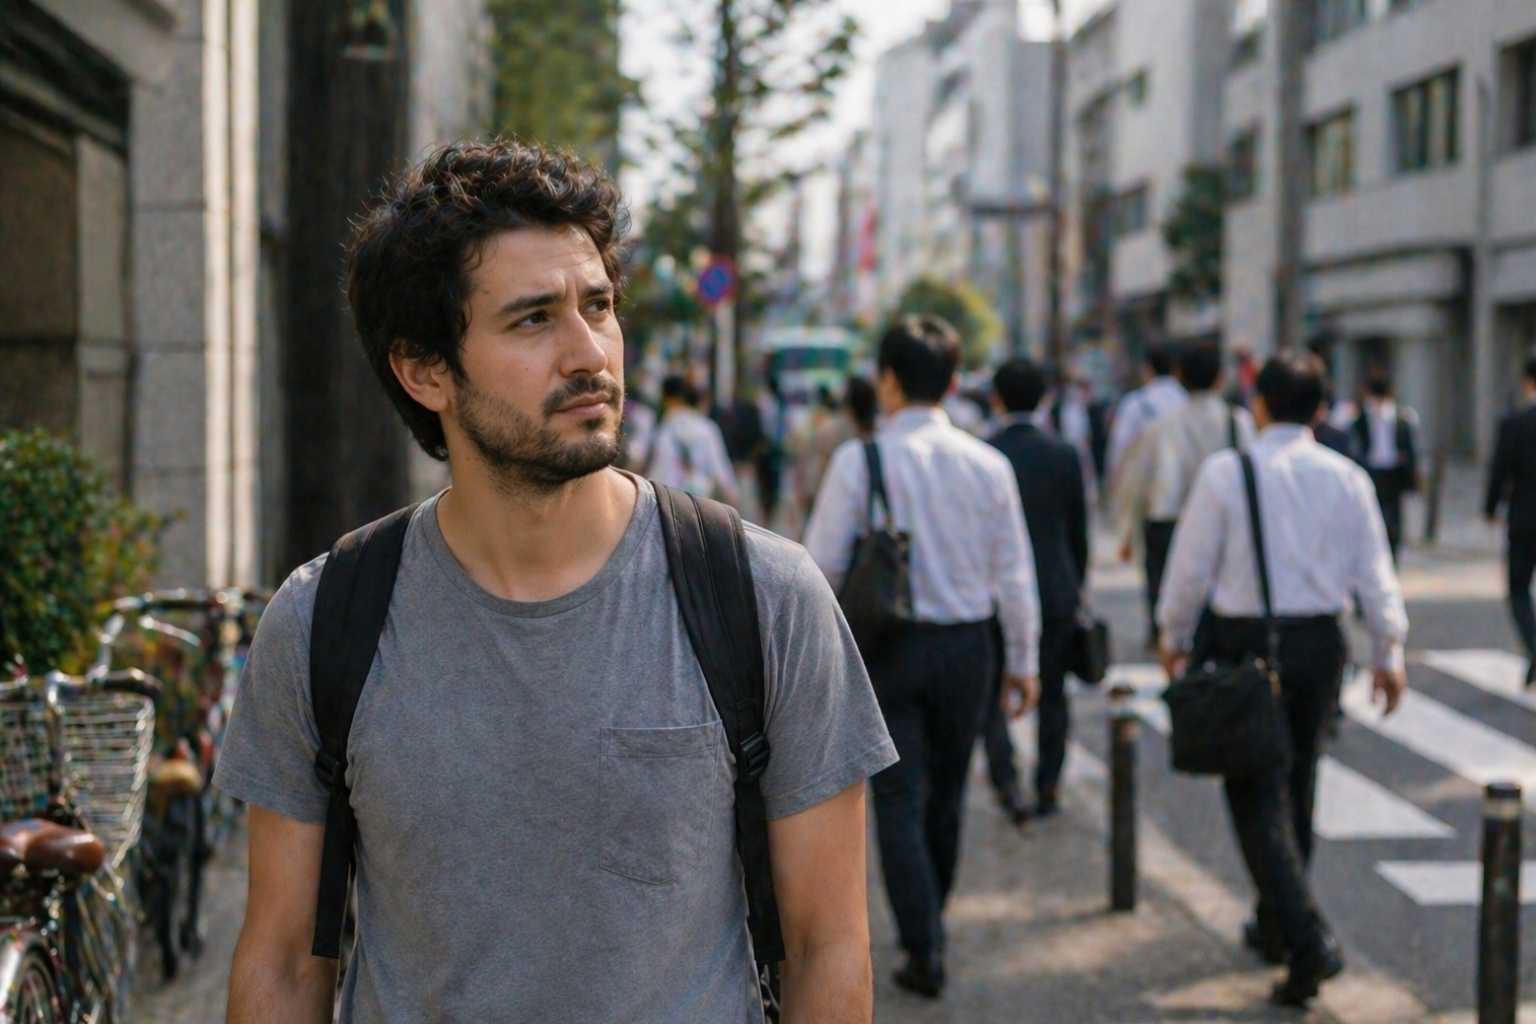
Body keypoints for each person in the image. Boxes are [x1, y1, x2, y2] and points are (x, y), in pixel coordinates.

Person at [216, 139, 897, 1023]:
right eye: (533, 319)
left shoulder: (761, 596)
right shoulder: (324, 621)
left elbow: (828, 948)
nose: (590, 354)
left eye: (599, 305)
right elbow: (280, 962)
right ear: (425, 370)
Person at [1156, 352, 1408, 1008]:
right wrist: (1389, 649)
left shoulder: (1226, 473)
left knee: (1253, 796)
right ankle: (1277, 925)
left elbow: (1189, 570)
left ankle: (1305, 939)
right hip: (1321, 644)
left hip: (1247, 645)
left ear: (1259, 405)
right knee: (1297, 785)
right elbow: (1374, 571)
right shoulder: (1347, 476)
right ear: (1321, 410)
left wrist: (1173, 635)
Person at [803, 315, 1041, 1000]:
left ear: (887, 381)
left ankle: (923, 942)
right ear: (955, 381)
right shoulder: (989, 464)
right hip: (970, 648)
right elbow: (1014, 576)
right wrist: (1022, 664)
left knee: (899, 797)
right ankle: (930, 922)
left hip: (889, 649)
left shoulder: (861, 459)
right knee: (949, 794)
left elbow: (820, 567)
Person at [984, 358, 1089, 823]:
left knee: (990, 693)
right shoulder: (1064, 454)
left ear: (997, 398)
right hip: (1055, 586)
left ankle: (1007, 781)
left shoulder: (984, 454)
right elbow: (1078, 533)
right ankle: (1048, 785)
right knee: (1053, 694)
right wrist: (1076, 582)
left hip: (994, 591)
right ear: (1045, 397)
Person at [1114, 345, 1227, 649]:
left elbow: (1137, 485)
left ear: (1180, 377)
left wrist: (1126, 533)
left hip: (1168, 519)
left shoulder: (1161, 427)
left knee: (1165, 585)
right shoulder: (1238, 422)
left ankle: (1167, 636)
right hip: (1225, 519)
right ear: (1220, 378)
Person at [1485, 358, 1536, 687]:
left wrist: (1489, 508)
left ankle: (1534, 645)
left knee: (1518, 588)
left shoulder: (1514, 423)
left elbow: (1499, 470)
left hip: (1524, 518)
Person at [1350, 375, 1420, 562]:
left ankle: (1392, 556)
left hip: (1393, 472)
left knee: (1395, 520)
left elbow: (1410, 450)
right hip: (1372, 471)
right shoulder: (1362, 418)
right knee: (1374, 516)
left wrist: (1412, 479)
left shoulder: (1401, 417)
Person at [649, 374, 741, 505]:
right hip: (699, 501)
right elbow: (720, 469)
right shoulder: (706, 427)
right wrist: (732, 496)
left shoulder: (663, 428)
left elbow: (658, 466)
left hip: (667, 501)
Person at [1105, 343, 1187, 486]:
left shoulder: (1134, 404)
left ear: (1147, 369)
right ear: (1176, 369)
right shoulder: (1187, 401)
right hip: (1185, 486)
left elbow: (1119, 450)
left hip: (1145, 486)